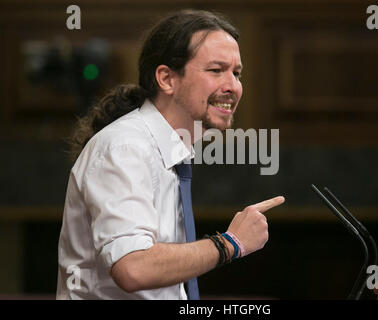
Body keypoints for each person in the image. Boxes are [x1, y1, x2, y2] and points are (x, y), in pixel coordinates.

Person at [57, 9, 285, 300]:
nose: (233, 86)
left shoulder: (169, 151)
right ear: (166, 79)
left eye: (236, 73)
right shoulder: (125, 147)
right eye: (216, 70)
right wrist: (230, 242)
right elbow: (133, 267)